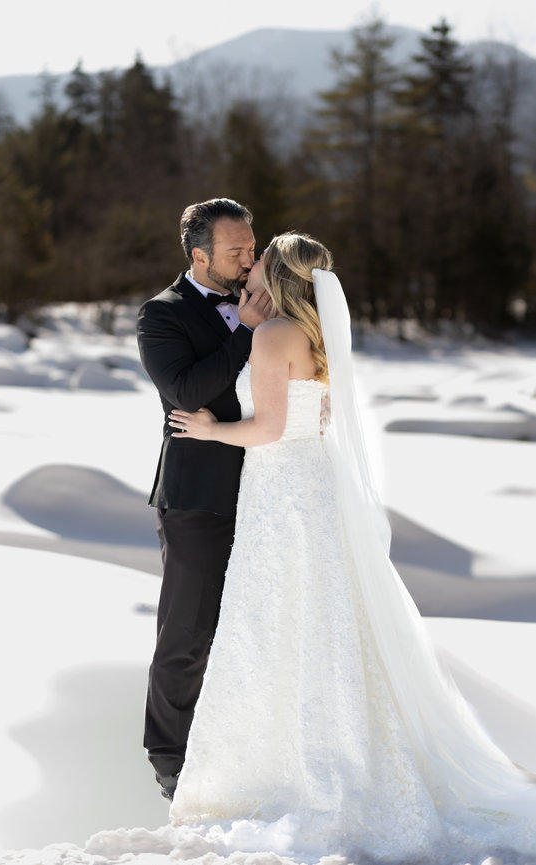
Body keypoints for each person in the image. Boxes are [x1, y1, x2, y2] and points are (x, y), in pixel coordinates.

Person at [154, 232, 536, 864]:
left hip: (283, 488)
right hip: (313, 483)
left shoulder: (273, 335)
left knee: (277, 620)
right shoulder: (319, 333)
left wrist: (210, 429)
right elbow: (314, 415)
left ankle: (278, 770)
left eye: (259, 265)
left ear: (276, 275)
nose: (249, 272)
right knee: (325, 617)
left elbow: (271, 427)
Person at [136, 198, 271, 802]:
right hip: (198, 496)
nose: (250, 258)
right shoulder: (161, 316)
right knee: (187, 630)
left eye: (252, 245)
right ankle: (170, 759)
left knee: (257, 626)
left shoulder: (268, 303)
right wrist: (244, 330)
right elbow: (188, 391)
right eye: (236, 250)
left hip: (272, 489)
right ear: (199, 255)